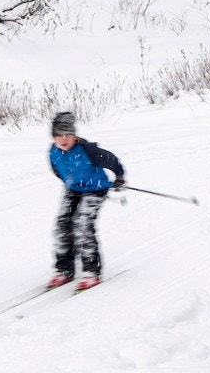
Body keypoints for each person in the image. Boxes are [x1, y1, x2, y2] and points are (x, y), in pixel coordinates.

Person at [47, 111, 125, 291]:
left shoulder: (88, 150)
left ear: (74, 135)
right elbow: (57, 170)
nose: (64, 139)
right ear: (53, 137)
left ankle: (91, 271)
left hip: (96, 189)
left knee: (82, 225)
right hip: (73, 189)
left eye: (67, 134)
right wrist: (70, 182)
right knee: (62, 224)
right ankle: (65, 269)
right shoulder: (53, 152)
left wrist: (119, 177)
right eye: (59, 135)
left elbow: (111, 160)